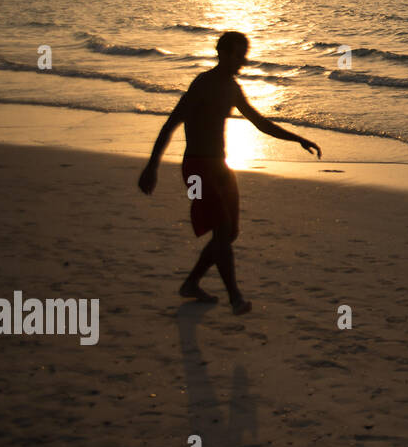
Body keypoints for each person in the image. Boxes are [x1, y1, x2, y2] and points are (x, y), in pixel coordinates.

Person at [137, 31, 321, 314]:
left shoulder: (233, 88)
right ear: (222, 53)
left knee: (230, 232)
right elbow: (171, 124)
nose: (242, 60)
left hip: (221, 166)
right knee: (222, 230)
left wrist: (297, 138)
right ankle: (235, 297)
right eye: (237, 54)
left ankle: (191, 283)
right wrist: (152, 167)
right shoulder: (202, 84)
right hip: (197, 169)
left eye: (244, 54)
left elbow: (260, 123)